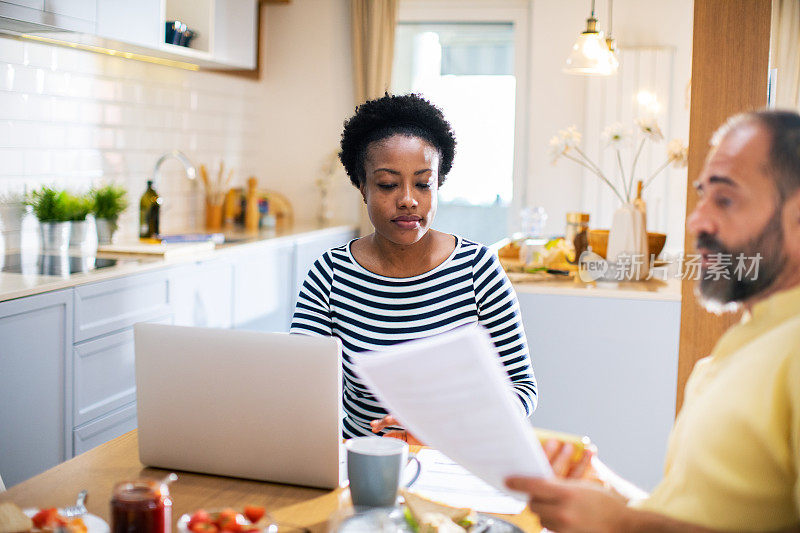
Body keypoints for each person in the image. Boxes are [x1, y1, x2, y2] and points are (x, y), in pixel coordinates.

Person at [506, 110, 800, 532]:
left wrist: (620, 525)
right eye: (703, 196)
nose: (696, 220)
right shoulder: (748, 343)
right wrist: (603, 490)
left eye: (726, 199)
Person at [290, 93, 537, 440]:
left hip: (453, 458)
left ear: (438, 185)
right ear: (362, 187)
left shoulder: (477, 269)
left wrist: (447, 424)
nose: (408, 199)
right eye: (388, 184)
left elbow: (521, 388)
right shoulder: (330, 274)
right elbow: (299, 390)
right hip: (361, 461)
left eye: (423, 184)